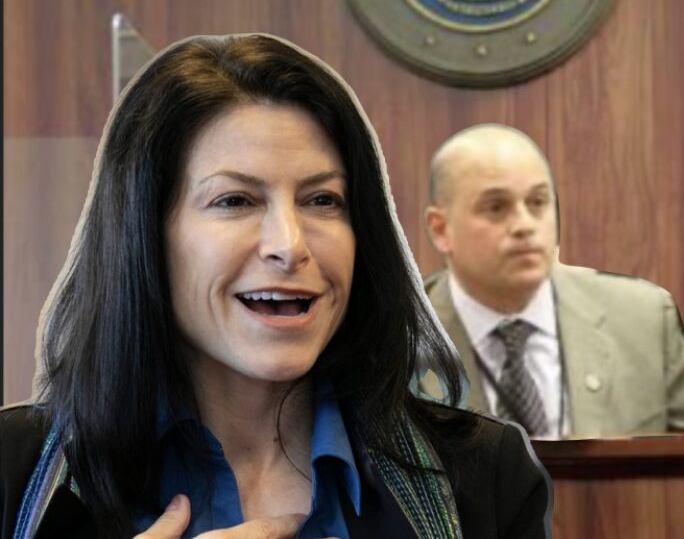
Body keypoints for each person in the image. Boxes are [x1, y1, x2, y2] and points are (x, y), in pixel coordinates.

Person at [0, 34, 550, 538]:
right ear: (144, 233)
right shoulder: (11, 469)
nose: (289, 244)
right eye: (235, 200)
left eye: (322, 200)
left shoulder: (486, 477)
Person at [421, 125, 684, 439]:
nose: (524, 225)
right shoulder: (399, 342)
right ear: (441, 230)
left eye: (538, 202)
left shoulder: (643, 319)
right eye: (496, 208)